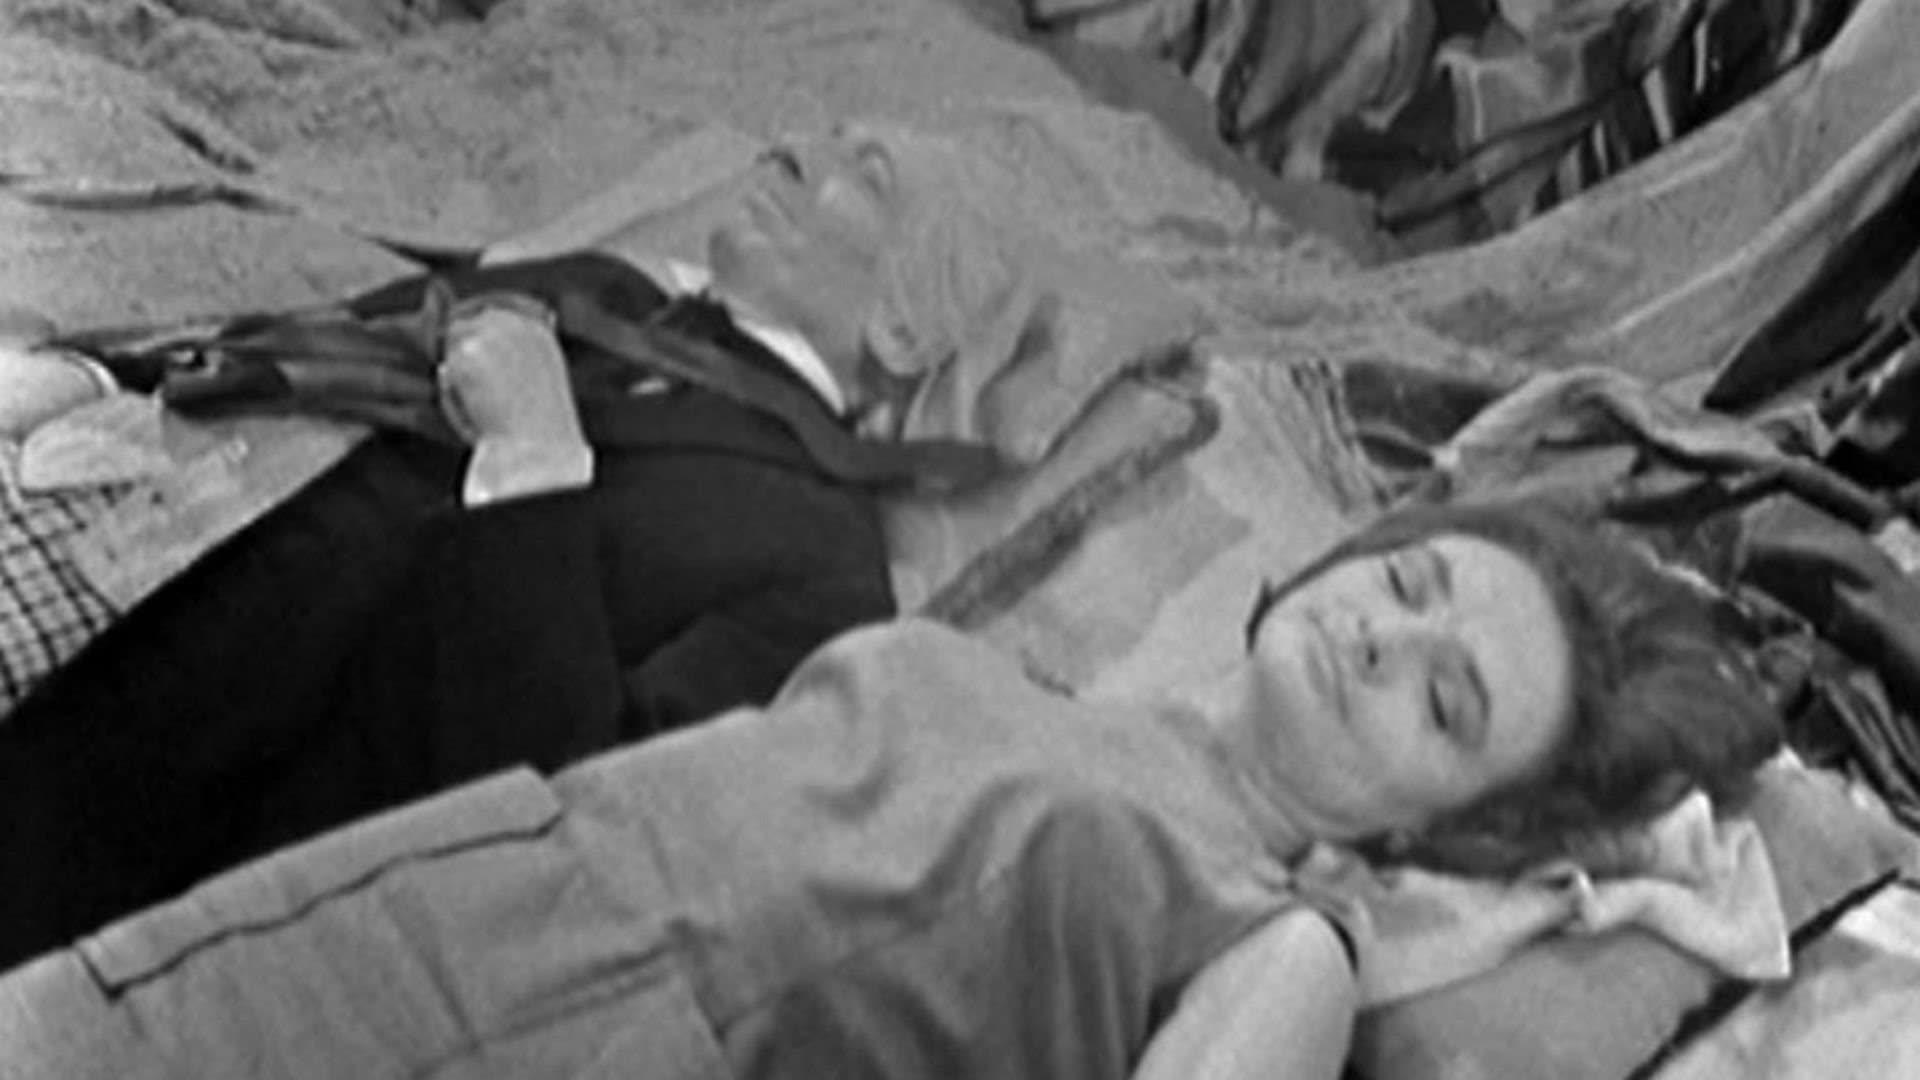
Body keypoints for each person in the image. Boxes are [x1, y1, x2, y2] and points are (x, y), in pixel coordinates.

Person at [0, 493, 1781, 1079]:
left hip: (599, 1033)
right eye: (1407, 582)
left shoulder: (1289, 938)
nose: (1385, 639)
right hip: (470, 878)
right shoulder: (1078, 708)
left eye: (1446, 701)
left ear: (1440, 826)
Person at [0, 123, 1044, 968]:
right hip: (83, 505)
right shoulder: (607, 288)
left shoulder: (820, 572)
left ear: (903, 333)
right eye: (818, 134)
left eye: (865, 174)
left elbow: (563, 840)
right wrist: (91, 373)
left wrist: (534, 462)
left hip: (143, 813)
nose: (793, 150)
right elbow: (306, 335)